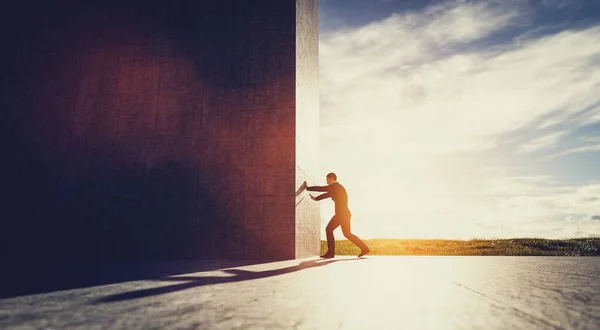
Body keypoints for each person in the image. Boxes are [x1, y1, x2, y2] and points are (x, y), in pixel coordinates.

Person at [300, 173, 370, 258]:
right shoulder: (336, 188)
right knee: (347, 233)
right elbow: (327, 194)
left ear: (332, 178)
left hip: (341, 214)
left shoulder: (335, 187)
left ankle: (331, 253)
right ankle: (365, 249)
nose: (326, 181)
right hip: (345, 214)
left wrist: (308, 188)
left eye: (327, 179)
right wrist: (316, 198)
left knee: (329, 229)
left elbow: (322, 189)